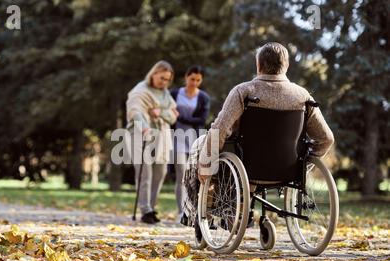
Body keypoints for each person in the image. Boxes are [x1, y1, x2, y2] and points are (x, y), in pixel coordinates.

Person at [198, 42, 335, 185]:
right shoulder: (303, 96)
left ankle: (209, 201)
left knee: (203, 144)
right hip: (288, 171)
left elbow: (220, 129)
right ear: (286, 66)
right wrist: (304, 166)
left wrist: (206, 164)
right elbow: (326, 139)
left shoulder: (244, 91)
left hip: (245, 172)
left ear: (259, 65)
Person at [126, 60, 179, 224]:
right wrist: (144, 128)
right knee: (145, 173)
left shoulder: (165, 94)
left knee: (160, 172)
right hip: (140, 134)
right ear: (154, 73)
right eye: (162, 78)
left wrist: (160, 113)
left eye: (167, 80)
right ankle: (145, 209)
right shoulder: (140, 90)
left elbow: (173, 115)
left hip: (162, 135)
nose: (164, 82)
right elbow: (135, 111)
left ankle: (152, 206)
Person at [170, 65, 210, 222]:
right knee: (181, 174)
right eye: (192, 79)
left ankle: (193, 208)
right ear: (186, 77)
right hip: (176, 138)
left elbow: (202, 119)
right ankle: (182, 212)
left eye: (198, 80)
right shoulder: (174, 94)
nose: (194, 82)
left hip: (194, 138)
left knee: (193, 176)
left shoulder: (203, 97)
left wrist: (180, 118)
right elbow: (168, 113)